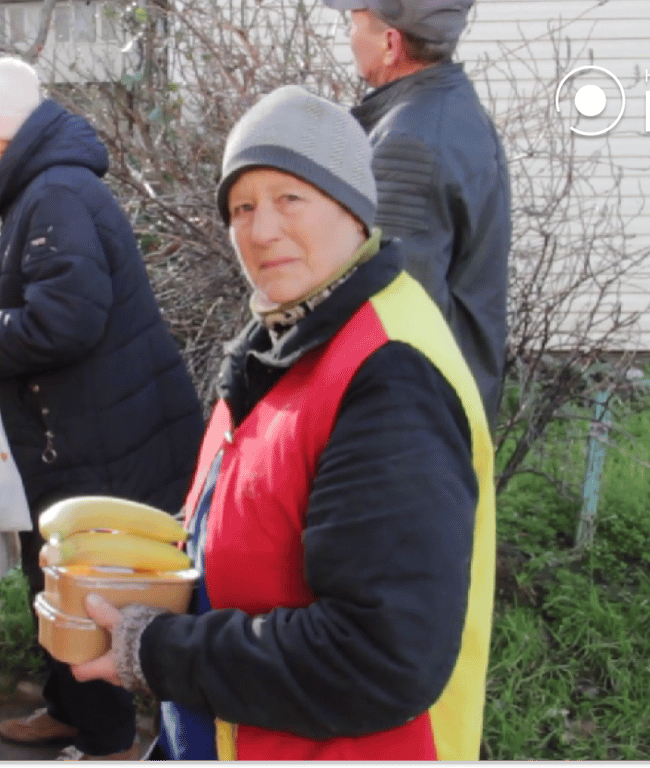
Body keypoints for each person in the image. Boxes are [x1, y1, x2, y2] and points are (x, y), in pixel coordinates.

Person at [67, 86, 497, 761]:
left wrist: (154, 650)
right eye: (242, 207)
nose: (261, 230)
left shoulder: (389, 375)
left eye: (290, 196)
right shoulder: (283, 346)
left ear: (353, 209)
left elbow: (379, 656)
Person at [0, 57, 205, 761]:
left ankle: (107, 738)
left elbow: (67, 319)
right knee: (56, 576)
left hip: (105, 440)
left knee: (89, 584)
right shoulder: (43, 191)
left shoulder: (54, 196)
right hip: (82, 432)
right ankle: (70, 707)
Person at [326, 0, 512, 426]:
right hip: (440, 412)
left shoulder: (408, 143)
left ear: (391, 43)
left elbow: (393, 308)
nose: (349, 37)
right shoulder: (451, 109)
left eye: (353, 24)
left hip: (410, 425)